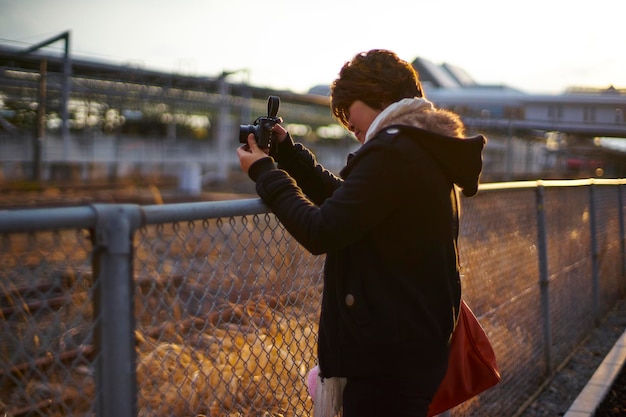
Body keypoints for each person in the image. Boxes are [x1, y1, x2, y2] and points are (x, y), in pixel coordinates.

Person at [237, 49, 486, 417]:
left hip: (388, 366)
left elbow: (322, 230)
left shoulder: (395, 151)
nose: (347, 123)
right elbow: (350, 202)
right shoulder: (419, 146)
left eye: (348, 110)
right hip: (410, 351)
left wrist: (265, 173)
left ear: (380, 97)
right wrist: (289, 155)